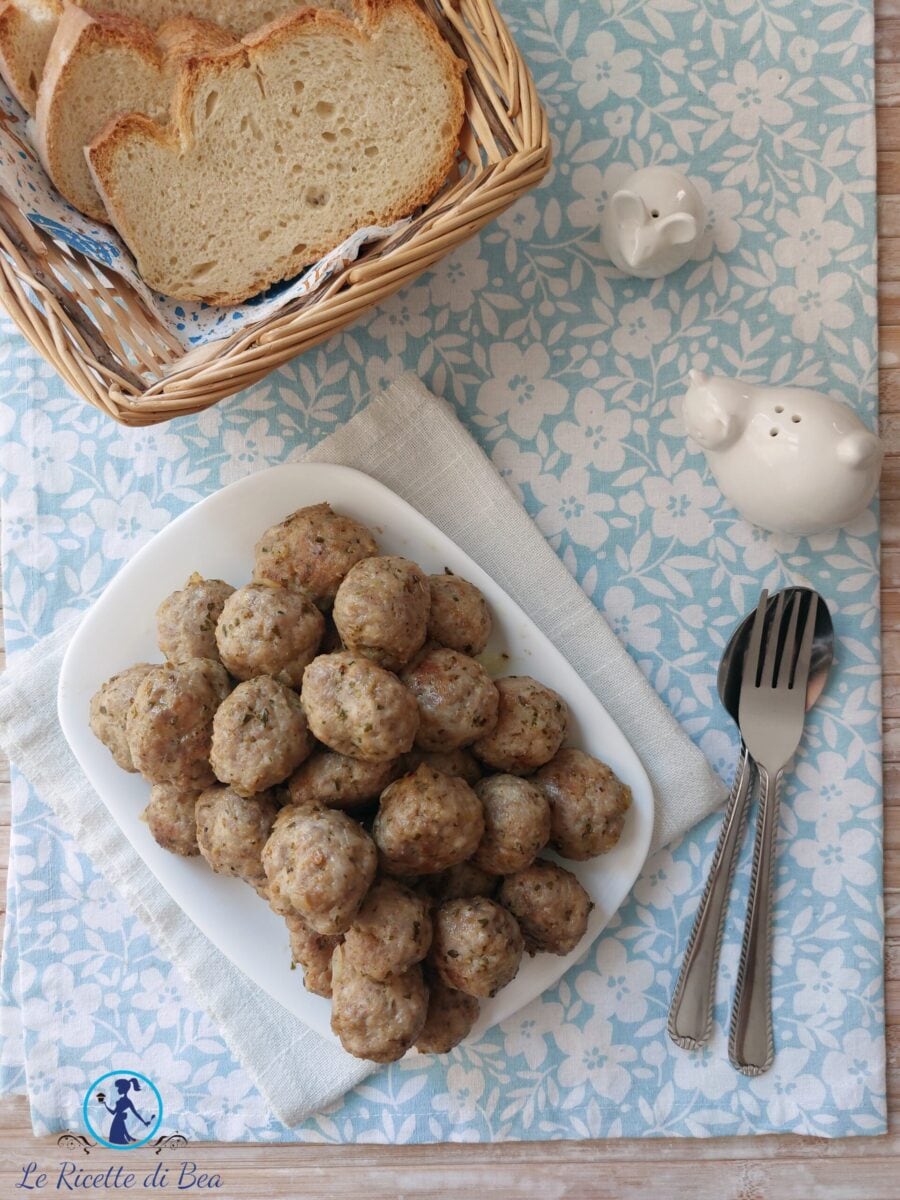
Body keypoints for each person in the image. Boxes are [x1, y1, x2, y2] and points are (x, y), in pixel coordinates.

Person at [98, 1077, 153, 1145]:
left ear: (123, 1089)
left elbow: (135, 1113)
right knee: (117, 1138)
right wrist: (105, 1105)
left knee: (119, 1139)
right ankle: (129, 1137)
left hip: (118, 1120)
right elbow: (113, 1112)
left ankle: (128, 1138)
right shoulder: (121, 1100)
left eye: (118, 1088)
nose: (117, 1090)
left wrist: (144, 1122)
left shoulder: (127, 1101)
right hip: (117, 1120)